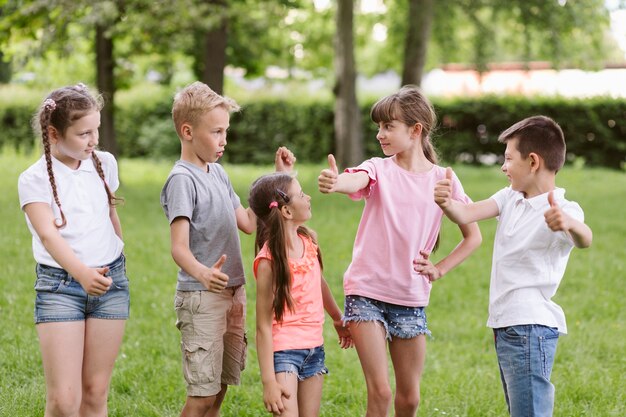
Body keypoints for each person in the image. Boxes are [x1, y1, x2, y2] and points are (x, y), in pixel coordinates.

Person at [318, 85, 482, 417]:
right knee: (380, 392)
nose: (380, 134)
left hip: (410, 298)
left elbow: (473, 236)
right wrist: (337, 183)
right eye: (379, 126)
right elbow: (357, 179)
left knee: (409, 400)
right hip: (366, 292)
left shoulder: (443, 179)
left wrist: (440, 268)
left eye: (388, 126)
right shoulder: (379, 168)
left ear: (415, 130)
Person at [434, 115, 593, 417]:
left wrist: (568, 223)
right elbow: (466, 214)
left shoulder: (563, 209)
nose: (503, 167)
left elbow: (585, 239)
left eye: (508, 159)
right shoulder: (510, 198)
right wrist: (446, 202)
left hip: (530, 326)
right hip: (507, 324)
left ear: (533, 161)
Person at [160, 81, 295, 417]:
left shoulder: (217, 174)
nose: (223, 140)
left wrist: (278, 182)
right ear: (188, 131)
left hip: (234, 293)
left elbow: (250, 222)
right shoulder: (182, 180)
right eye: (216, 131)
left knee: (219, 390)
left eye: (226, 131)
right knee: (202, 396)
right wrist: (204, 273)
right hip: (202, 296)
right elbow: (179, 248)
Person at [17, 83, 129, 416]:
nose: (93, 140)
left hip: (110, 283)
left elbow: (109, 213)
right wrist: (81, 274)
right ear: (53, 133)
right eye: (83, 134)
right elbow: (49, 236)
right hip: (60, 287)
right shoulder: (33, 179)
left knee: (95, 392)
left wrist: (119, 258)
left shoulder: (104, 163)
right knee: (65, 402)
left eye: (96, 130)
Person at [248, 172, 352, 417]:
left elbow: (319, 283)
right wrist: (268, 382)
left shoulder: (308, 239)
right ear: (286, 211)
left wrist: (338, 318)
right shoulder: (268, 262)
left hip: (315, 349)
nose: (308, 197)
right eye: (301, 194)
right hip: (284, 353)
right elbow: (263, 326)